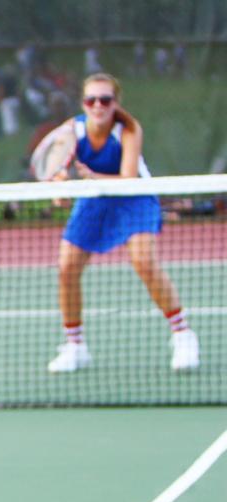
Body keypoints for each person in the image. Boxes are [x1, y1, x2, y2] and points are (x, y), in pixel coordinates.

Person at [45, 73, 199, 373]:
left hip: (134, 196)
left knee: (143, 261)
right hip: (94, 198)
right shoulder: (71, 131)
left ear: (116, 103)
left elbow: (128, 177)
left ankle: (183, 334)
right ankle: (75, 346)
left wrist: (90, 177)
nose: (98, 105)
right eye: (91, 100)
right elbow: (56, 172)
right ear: (83, 103)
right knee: (66, 268)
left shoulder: (128, 129)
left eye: (105, 99)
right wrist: (60, 190)